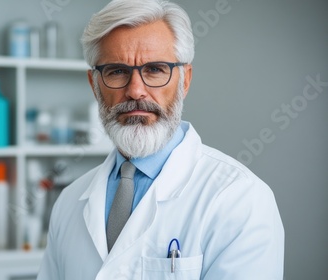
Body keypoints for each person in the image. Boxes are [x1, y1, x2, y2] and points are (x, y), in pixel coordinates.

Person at [37, 0, 284, 279]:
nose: (135, 90)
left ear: (185, 80)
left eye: (155, 69)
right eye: (117, 71)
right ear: (94, 85)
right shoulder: (69, 202)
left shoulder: (239, 199)